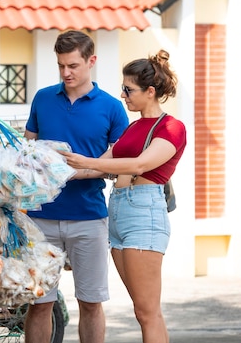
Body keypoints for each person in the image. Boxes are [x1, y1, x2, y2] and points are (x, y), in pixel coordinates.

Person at [59, 50, 187, 343]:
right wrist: (49, 171)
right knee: (145, 311)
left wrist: (87, 162)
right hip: (118, 214)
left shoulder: (171, 127)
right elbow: (100, 166)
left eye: (129, 90)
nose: (123, 95)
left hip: (144, 213)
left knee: (147, 312)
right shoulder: (134, 126)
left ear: (150, 91)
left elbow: (139, 165)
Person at [23, 30, 129, 343]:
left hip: (89, 217)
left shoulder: (110, 107)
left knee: (91, 302)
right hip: (40, 217)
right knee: (40, 302)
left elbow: (121, 157)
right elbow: (27, 150)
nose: (66, 73)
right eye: (61, 66)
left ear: (91, 61)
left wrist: (85, 168)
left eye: (73, 65)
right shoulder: (43, 98)